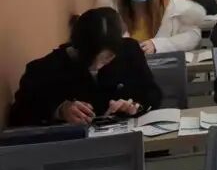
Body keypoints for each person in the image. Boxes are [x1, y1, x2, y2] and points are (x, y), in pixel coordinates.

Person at [9, 7, 162, 126]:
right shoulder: (44, 70)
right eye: (90, 59)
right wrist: (59, 111)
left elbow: (153, 93)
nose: (97, 66)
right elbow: (17, 115)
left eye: (107, 58)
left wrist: (135, 106)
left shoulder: (130, 52)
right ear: (76, 47)